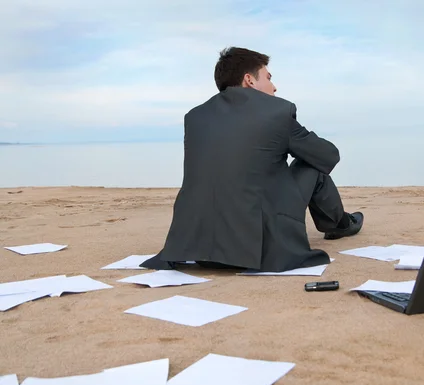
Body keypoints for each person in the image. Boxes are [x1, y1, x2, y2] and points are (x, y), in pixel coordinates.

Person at [140, 46, 363, 272]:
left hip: (193, 247)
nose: (274, 86)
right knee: (311, 165)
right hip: (256, 250)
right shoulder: (277, 111)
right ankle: (339, 224)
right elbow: (328, 155)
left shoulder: (195, 116)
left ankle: (338, 222)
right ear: (249, 80)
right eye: (268, 77)